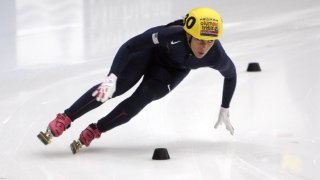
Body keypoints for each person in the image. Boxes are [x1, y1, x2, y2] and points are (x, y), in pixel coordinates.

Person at [37, 7, 237, 154]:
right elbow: (131, 46)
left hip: (171, 71)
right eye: (201, 41)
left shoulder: (216, 55)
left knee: (144, 96)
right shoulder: (169, 36)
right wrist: (112, 77)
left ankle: (96, 130)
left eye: (210, 42)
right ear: (188, 34)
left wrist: (225, 107)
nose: (204, 48)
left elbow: (231, 75)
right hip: (148, 54)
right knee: (116, 87)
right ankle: (66, 118)